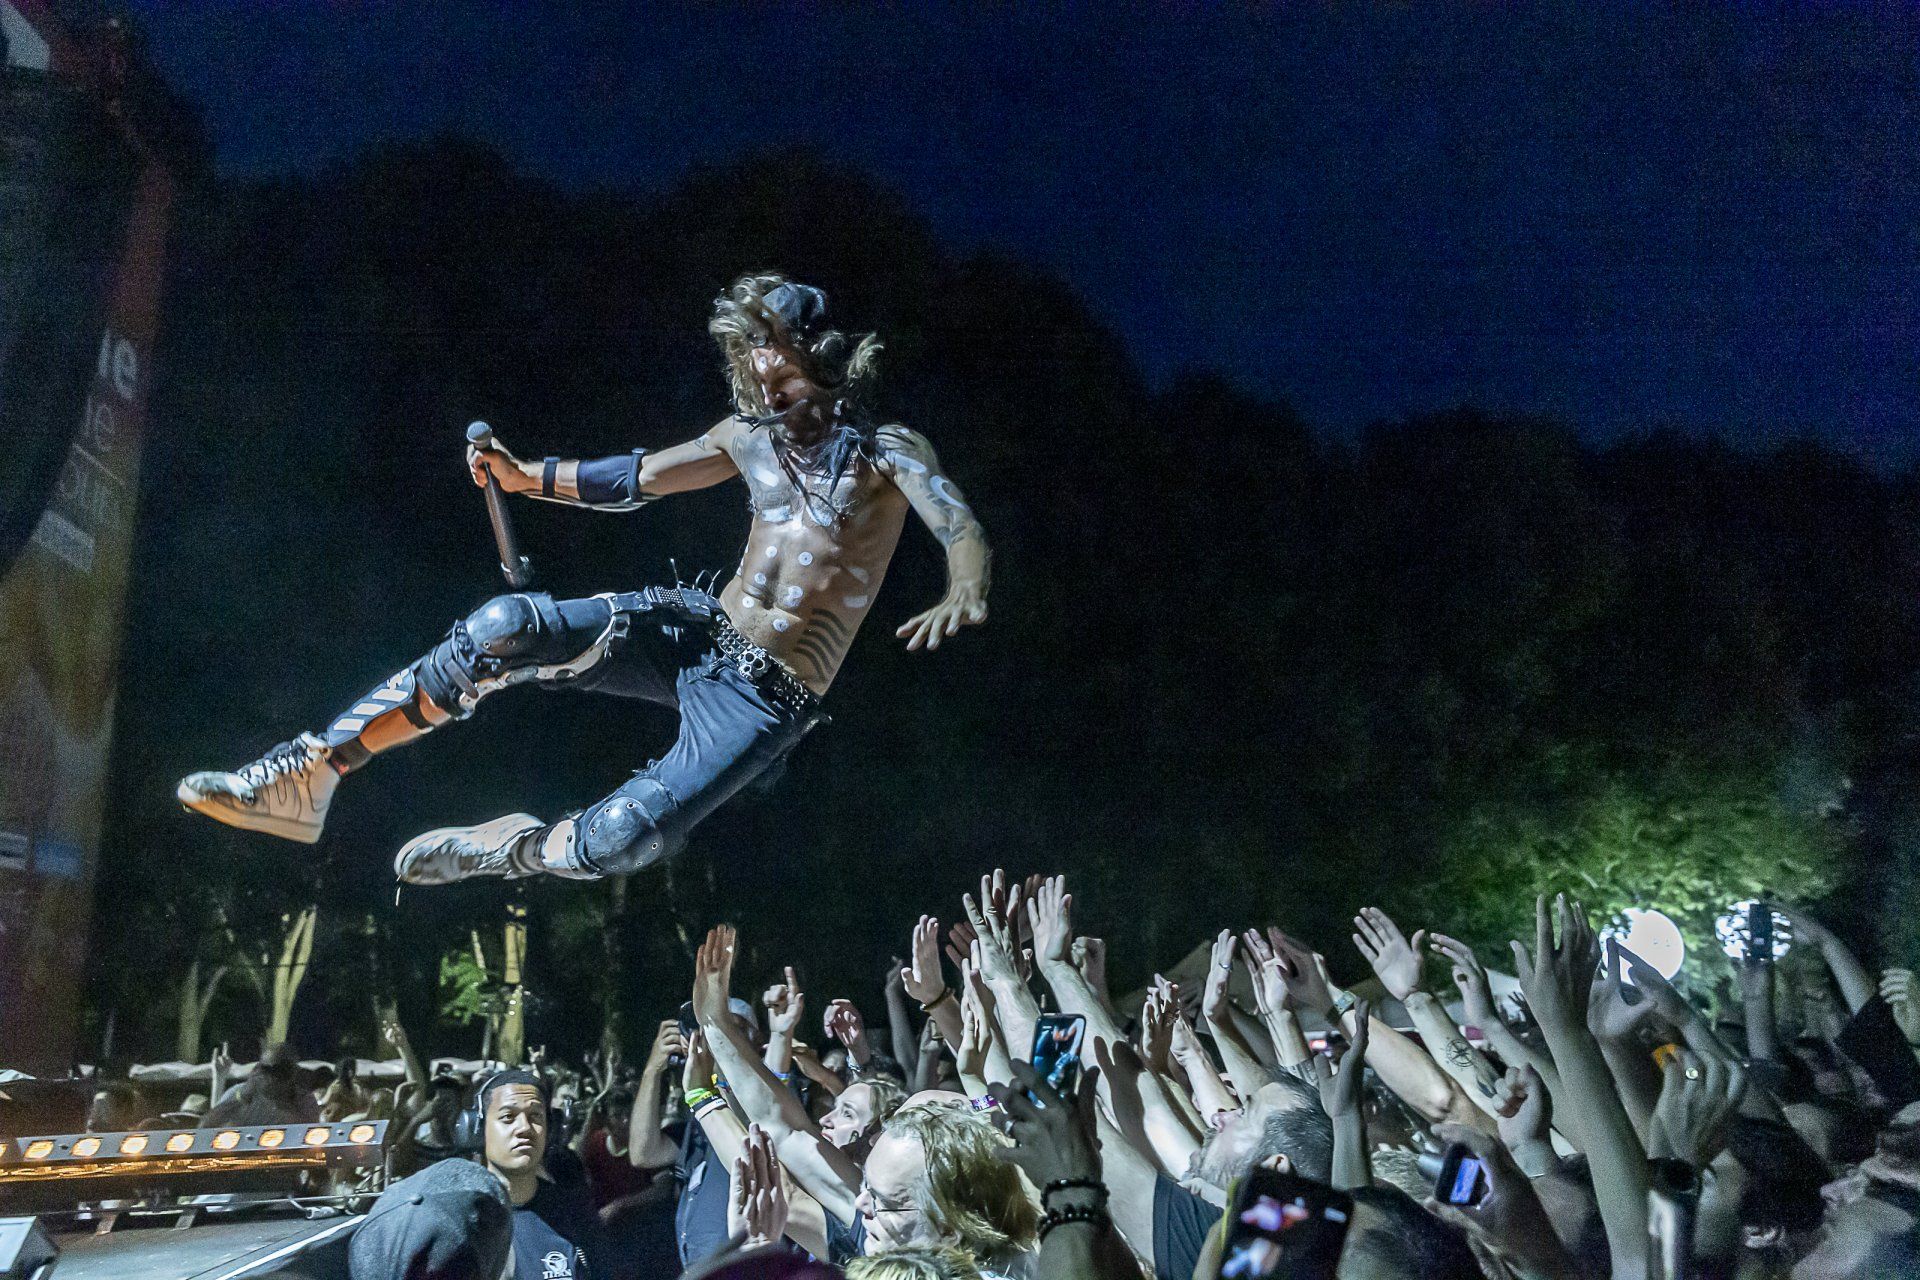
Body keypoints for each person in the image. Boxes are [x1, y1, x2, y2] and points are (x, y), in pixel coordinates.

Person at [176, 273, 992, 890]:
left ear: (822, 358)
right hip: (699, 635)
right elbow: (636, 478)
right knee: (504, 629)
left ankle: (513, 848)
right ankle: (310, 774)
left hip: (766, 702)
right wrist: (523, 476)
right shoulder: (746, 439)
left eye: (778, 368)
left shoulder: (886, 450)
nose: (765, 386)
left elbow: (957, 523)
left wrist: (965, 584)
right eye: (755, 371)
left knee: (623, 840)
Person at [475, 1068, 596, 1280]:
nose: (524, 1127)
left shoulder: (572, 1215)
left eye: (535, 1116)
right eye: (508, 1116)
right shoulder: (458, 1217)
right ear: (478, 1130)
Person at [200, 1043, 320, 1128]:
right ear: (259, 1069)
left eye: (282, 1071)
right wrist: (241, 1095)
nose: (274, 1077)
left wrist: (279, 1105)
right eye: (268, 1070)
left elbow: (307, 1134)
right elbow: (208, 1126)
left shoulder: (304, 1100)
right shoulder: (238, 1093)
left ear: (294, 1073)